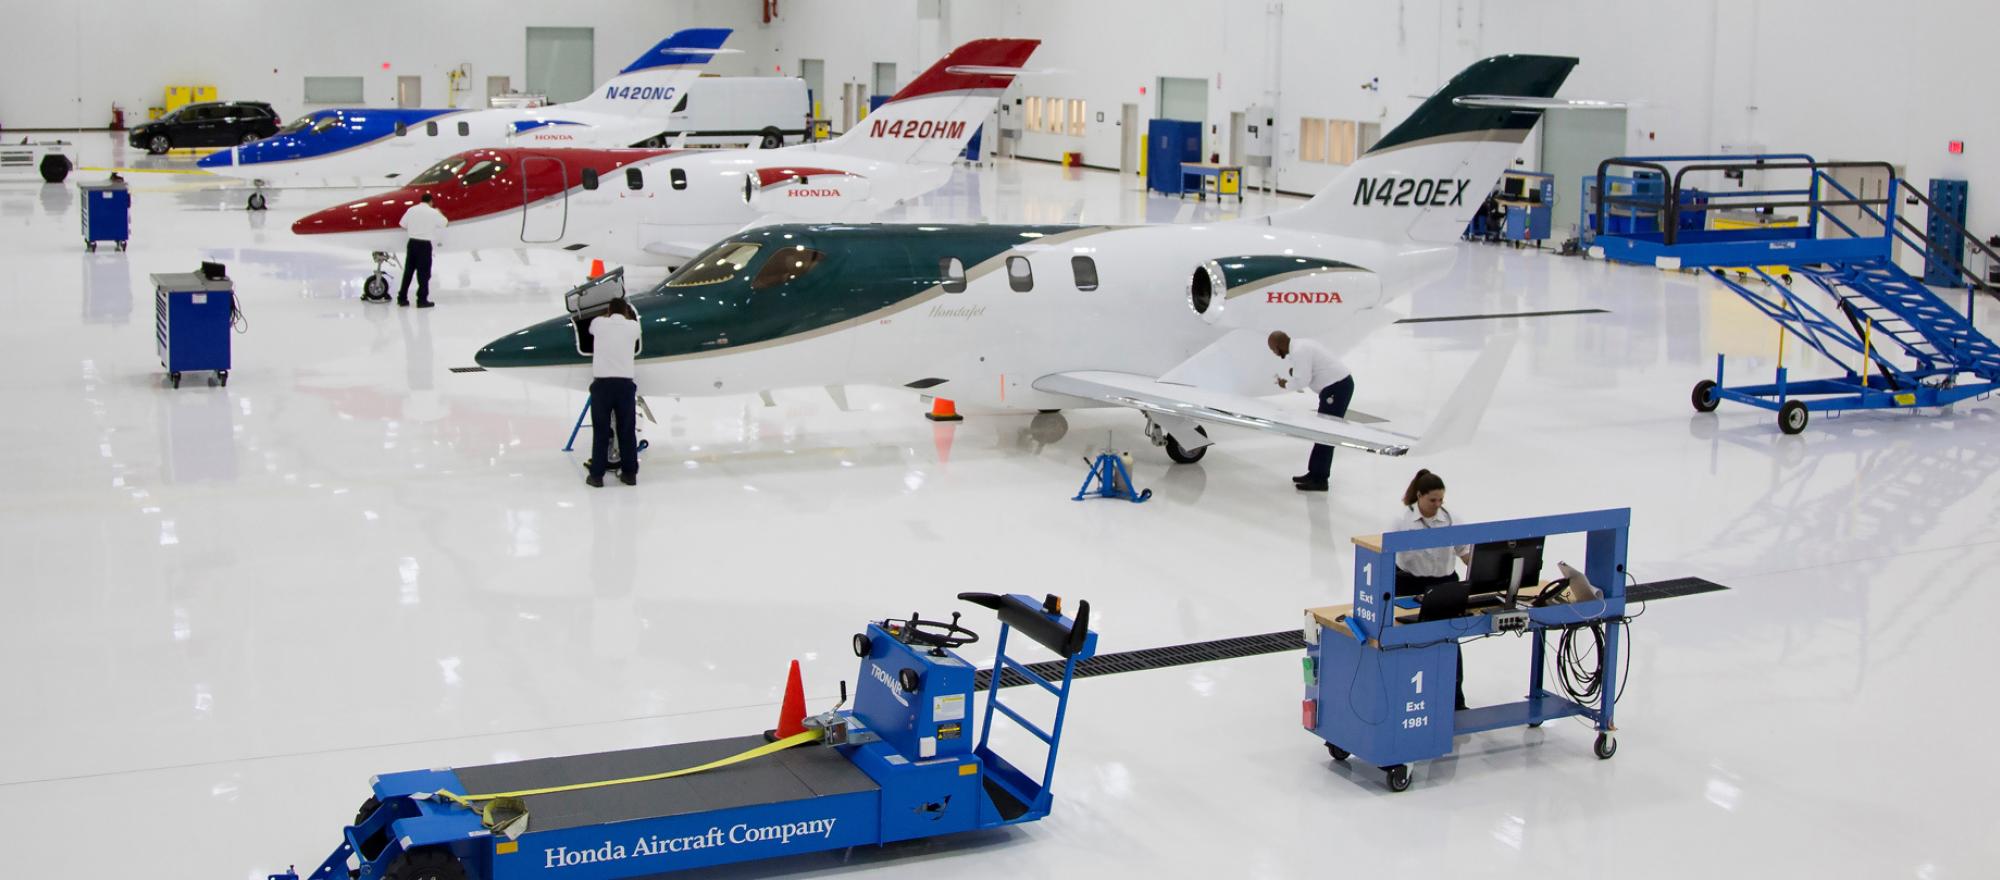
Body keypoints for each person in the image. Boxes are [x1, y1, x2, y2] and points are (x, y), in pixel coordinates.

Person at [1391, 468, 1473, 709]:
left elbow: (1464, 552)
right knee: (1410, 640)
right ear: (1419, 496)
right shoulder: (1402, 521)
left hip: (1445, 583)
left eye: (1440, 500)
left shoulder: (1451, 520)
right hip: (1410, 585)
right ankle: (1410, 697)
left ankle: (1456, 699)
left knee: (1450, 639)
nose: (1437, 505)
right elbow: (1385, 554)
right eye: (1432, 500)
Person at [1268, 331, 1354, 491]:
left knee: (1326, 434)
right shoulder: (1301, 346)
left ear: (1279, 346)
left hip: (1337, 388)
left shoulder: (1300, 350)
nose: (1274, 353)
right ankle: (1314, 473)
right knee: (1321, 432)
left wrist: (1285, 384)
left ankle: (1320, 479)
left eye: (1273, 349)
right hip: (1335, 387)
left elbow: (1303, 381)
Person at [585, 298, 643, 488]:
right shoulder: (633, 327)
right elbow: (636, 329)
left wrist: (606, 314)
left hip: (602, 386)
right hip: (625, 385)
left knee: (601, 431)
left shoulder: (599, 324)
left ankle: (596, 476)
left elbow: (591, 328)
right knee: (626, 430)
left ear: (609, 310)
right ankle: (629, 473)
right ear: (626, 311)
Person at [396, 193, 447, 308]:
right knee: (423, 274)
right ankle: (422, 300)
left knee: (408, 272)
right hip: (424, 245)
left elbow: (402, 224)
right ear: (431, 202)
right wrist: (439, 212)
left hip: (412, 243)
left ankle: (402, 298)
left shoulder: (411, 210)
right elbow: (444, 223)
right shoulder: (433, 212)